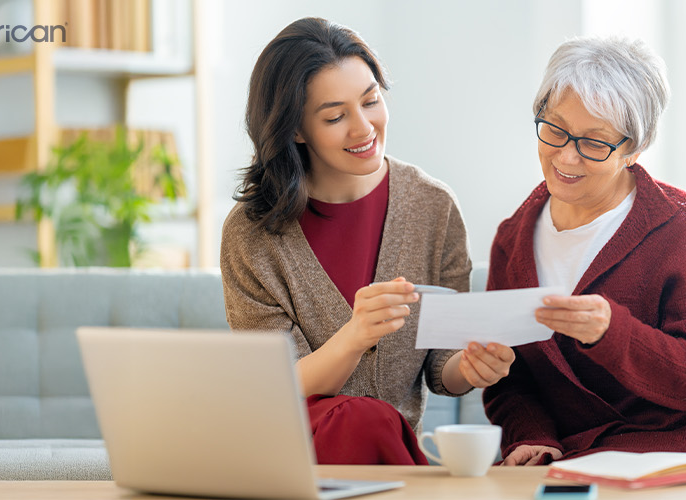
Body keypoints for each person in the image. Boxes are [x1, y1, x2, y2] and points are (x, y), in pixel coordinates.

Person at [220, 17, 514, 465]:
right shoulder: (251, 233)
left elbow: (443, 368)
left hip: (387, 446)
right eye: (336, 116)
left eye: (371, 101)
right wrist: (354, 336)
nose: (364, 128)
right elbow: (276, 385)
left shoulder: (433, 208)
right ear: (295, 129)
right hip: (288, 451)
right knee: (363, 419)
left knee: (372, 422)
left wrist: (470, 368)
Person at [484, 36, 686, 466]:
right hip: (577, 461)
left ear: (634, 148)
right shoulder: (513, 239)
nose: (566, 157)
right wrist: (531, 437)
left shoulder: (681, 225)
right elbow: (511, 380)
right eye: (555, 129)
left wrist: (612, 333)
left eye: (594, 143)